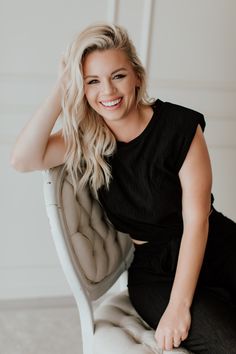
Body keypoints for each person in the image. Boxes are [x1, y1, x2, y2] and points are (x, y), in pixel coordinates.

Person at [11, 23, 236, 353]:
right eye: (92, 81)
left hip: (214, 243)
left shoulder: (181, 127)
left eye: (118, 76)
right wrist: (62, 87)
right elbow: (22, 159)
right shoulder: (88, 140)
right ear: (82, 88)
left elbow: (197, 222)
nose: (108, 92)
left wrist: (180, 304)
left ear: (137, 77)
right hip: (154, 270)